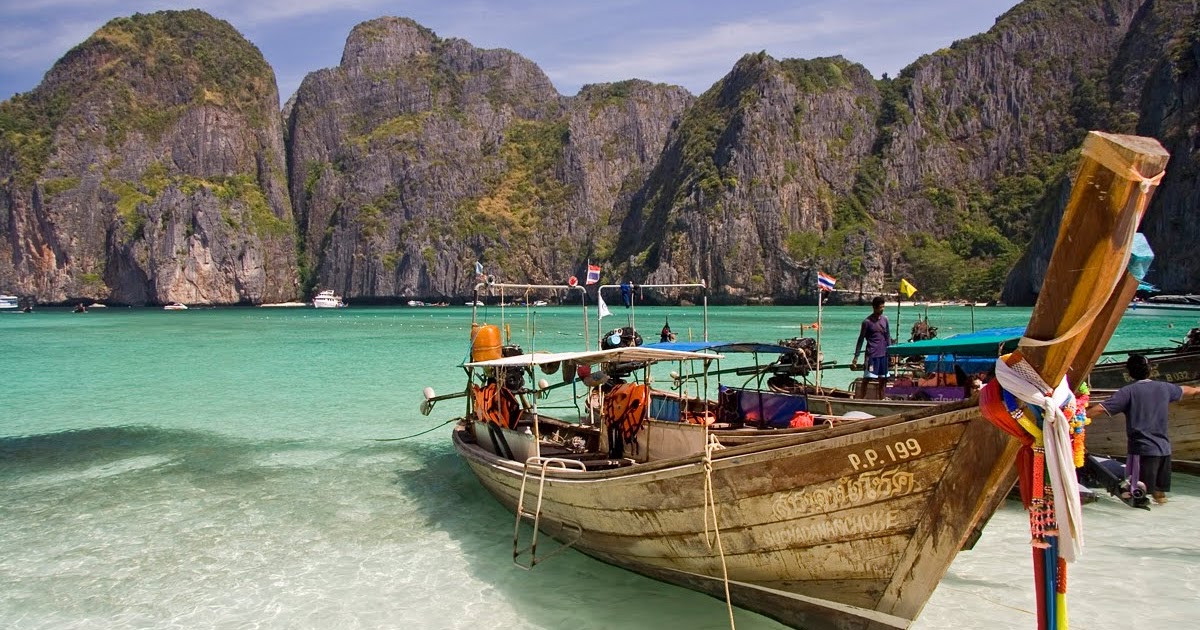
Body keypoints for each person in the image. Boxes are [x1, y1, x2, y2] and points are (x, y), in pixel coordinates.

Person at [1086, 354, 1200, 505]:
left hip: (1142, 451)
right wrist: (1197, 389)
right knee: (1160, 495)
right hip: (1164, 451)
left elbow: (1100, 409)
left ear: (1129, 373)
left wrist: (1077, 419)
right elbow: (1187, 390)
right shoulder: (1165, 388)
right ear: (1150, 370)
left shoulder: (1128, 392)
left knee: (1138, 496)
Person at [851, 296, 893, 389]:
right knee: (867, 377)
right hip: (872, 355)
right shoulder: (867, 322)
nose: (882, 309)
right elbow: (861, 339)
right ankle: (861, 399)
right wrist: (856, 356)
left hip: (883, 354)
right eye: (880, 307)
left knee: (883, 378)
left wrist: (891, 352)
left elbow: (888, 336)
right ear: (874, 307)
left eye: (883, 307)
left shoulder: (885, 319)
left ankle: (881, 400)